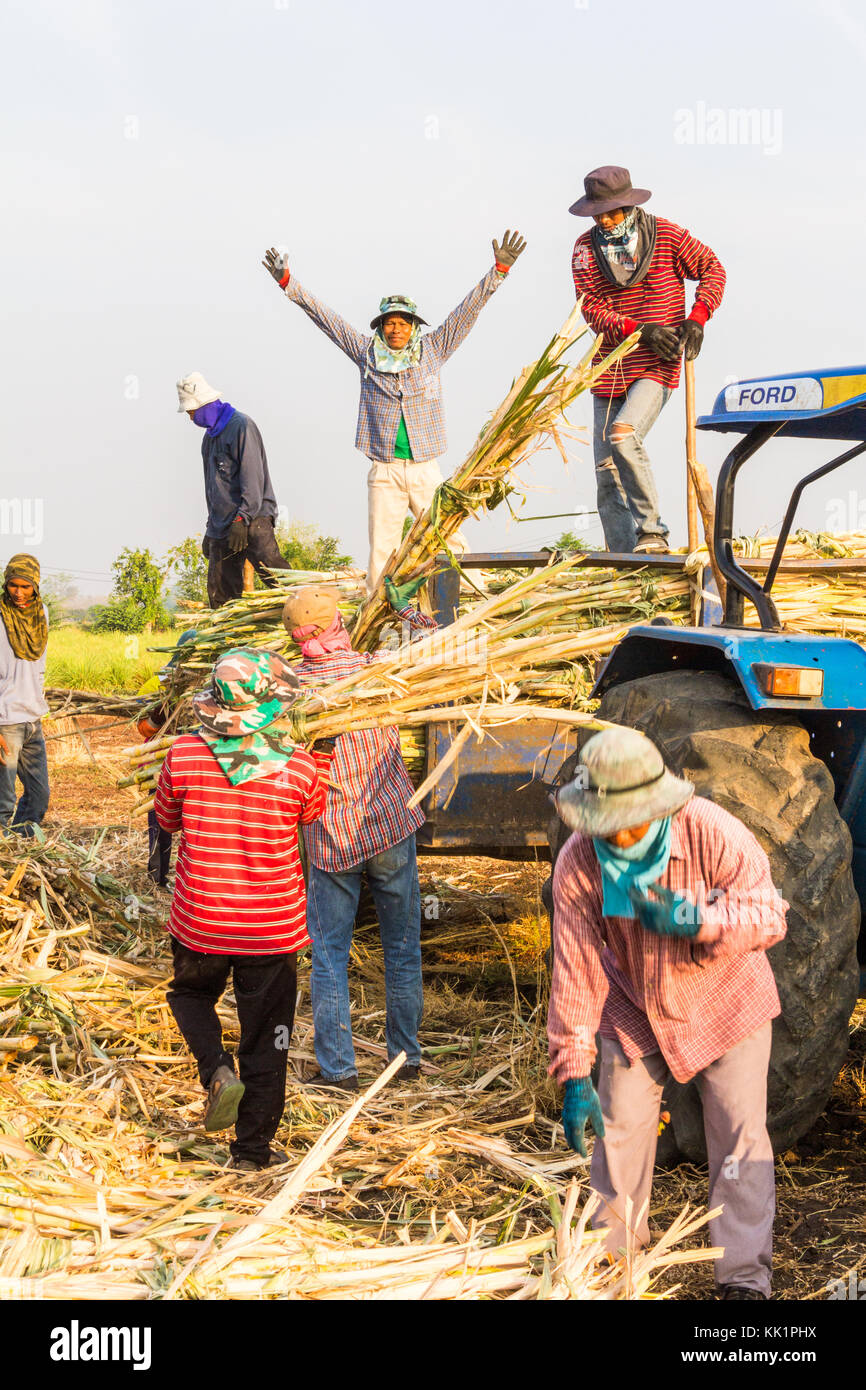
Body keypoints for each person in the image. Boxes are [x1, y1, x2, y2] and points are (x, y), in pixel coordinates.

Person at [547, 725, 788, 1299]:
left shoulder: (712, 831)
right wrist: (575, 1069)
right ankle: (611, 1273)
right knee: (618, 1135)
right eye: (605, 826)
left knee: (737, 1141)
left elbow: (769, 914)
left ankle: (744, 1282)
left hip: (727, 1004)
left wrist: (701, 920)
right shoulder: (578, 863)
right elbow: (576, 969)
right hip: (633, 1009)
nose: (618, 836)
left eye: (631, 822)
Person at [262, 231, 526, 593]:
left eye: (403, 322)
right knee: (382, 550)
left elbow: (467, 312)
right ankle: (376, 615)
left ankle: (477, 596)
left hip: (424, 467)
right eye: (390, 322)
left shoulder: (433, 350)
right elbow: (326, 319)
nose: (396, 328)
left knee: (448, 535)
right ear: (381, 327)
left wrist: (497, 273)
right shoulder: (367, 353)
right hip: (384, 468)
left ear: (414, 326)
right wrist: (288, 284)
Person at [154, 647, 327, 1171]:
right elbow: (312, 815)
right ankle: (251, 1154)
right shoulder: (300, 768)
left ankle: (216, 1072)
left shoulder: (182, 755)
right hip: (271, 931)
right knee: (267, 1043)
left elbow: (166, 820)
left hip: (202, 919)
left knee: (189, 996)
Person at [284, 576, 435, 1090]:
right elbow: (433, 648)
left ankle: (340, 1071)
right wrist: (407, 612)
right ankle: (405, 1060)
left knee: (328, 954)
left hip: (329, 838)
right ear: (339, 625)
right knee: (402, 946)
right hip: (389, 826)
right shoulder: (374, 670)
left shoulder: (289, 689)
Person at [569, 166, 726, 554]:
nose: (604, 220)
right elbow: (592, 310)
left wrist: (697, 318)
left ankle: (652, 532)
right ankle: (623, 558)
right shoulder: (586, 250)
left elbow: (713, 270)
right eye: (598, 213)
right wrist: (641, 329)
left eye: (612, 211)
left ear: (629, 205)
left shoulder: (667, 236)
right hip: (610, 365)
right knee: (606, 472)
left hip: (657, 362)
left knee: (623, 435)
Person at [176, 372, 291, 608]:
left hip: (253, 518)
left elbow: (253, 478)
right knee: (221, 592)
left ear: (205, 405)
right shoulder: (208, 440)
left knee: (278, 579)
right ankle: (228, 640)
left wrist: (243, 518)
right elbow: (212, 489)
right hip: (222, 525)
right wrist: (211, 529)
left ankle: (312, 618)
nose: (191, 419)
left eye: (191, 412)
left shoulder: (241, 426)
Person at [0, 554, 51, 834]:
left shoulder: (41, 614)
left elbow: (39, 667)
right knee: (4, 802)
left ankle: (17, 848)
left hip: (33, 717)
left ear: (36, 586)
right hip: (5, 720)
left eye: (25, 586)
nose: (18, 593)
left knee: (39, 796)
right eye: (13, 586)